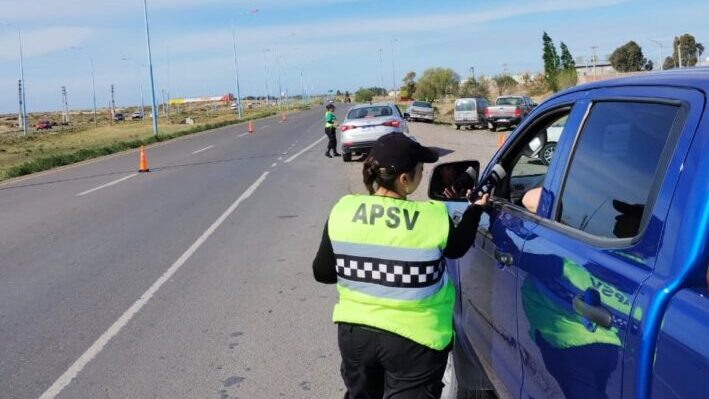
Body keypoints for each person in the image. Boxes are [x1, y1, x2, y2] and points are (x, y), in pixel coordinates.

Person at [312, 132, 489, 398]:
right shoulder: (432, 217)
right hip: (415, 342)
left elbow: (322, 272)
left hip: (356, 338)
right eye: (420, 169)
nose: (422, 174)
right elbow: (458, 247)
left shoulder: (343, 210)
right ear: (404, 180)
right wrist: (475, 209)